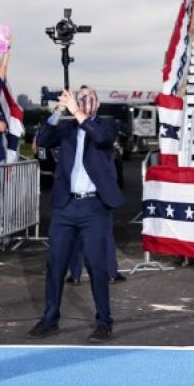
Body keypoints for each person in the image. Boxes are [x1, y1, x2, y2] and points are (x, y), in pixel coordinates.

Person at [28, 86, 123, 344]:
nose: (83, 101)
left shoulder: (106, 125)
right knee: (56, 264)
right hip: (66, 206)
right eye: (79, 98)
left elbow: (101, 139)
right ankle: (50, 319)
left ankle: (104, 322)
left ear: (97, 104)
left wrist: (77, 112)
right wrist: (59, 111)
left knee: (96, 265)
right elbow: (43, 139)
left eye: (89, 97)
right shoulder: (67, 128)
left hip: (94, 207)